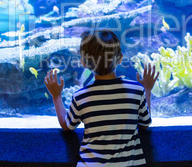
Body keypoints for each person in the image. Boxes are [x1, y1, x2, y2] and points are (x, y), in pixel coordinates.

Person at [44, 29, 159, 166]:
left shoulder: (81, 96)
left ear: (84, 63)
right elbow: (144, 124)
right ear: (120, 58)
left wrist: (56, 96)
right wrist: (147, 89)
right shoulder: (136, 91)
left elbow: (67, 125)